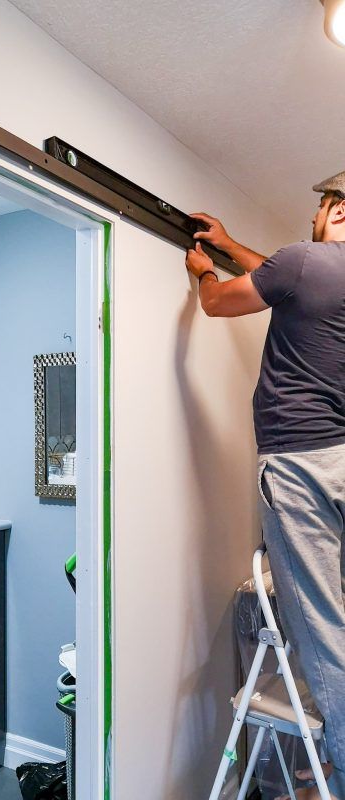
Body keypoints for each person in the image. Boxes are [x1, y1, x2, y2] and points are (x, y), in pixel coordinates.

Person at [185, 171, 345, 800]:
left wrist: (203, 267)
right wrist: (230, 243)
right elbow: (283, 280)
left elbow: (220, 302)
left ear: (334, 210)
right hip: (338, 455)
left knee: (322, 625)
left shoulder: (305, 263)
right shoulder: (310, 272)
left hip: (298, 461)